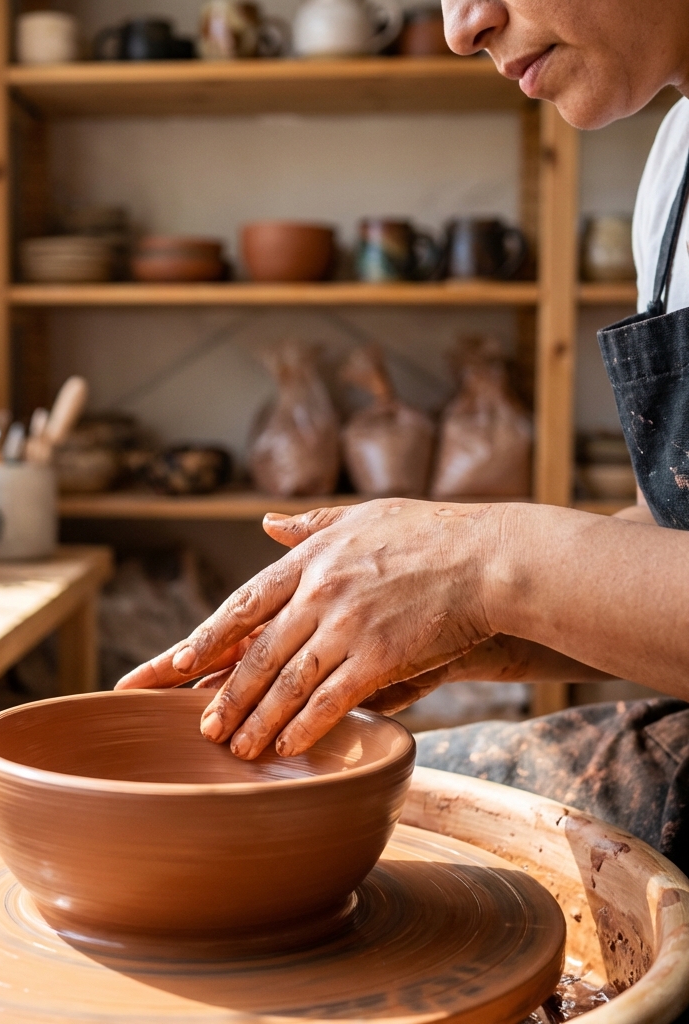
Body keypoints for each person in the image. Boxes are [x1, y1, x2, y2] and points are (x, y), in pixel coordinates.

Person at [117, 0, 689, 879]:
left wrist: (487, 563)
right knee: (301, 815)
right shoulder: (674, 166)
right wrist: (483, 623)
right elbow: (669, 539)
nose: (464, 27)